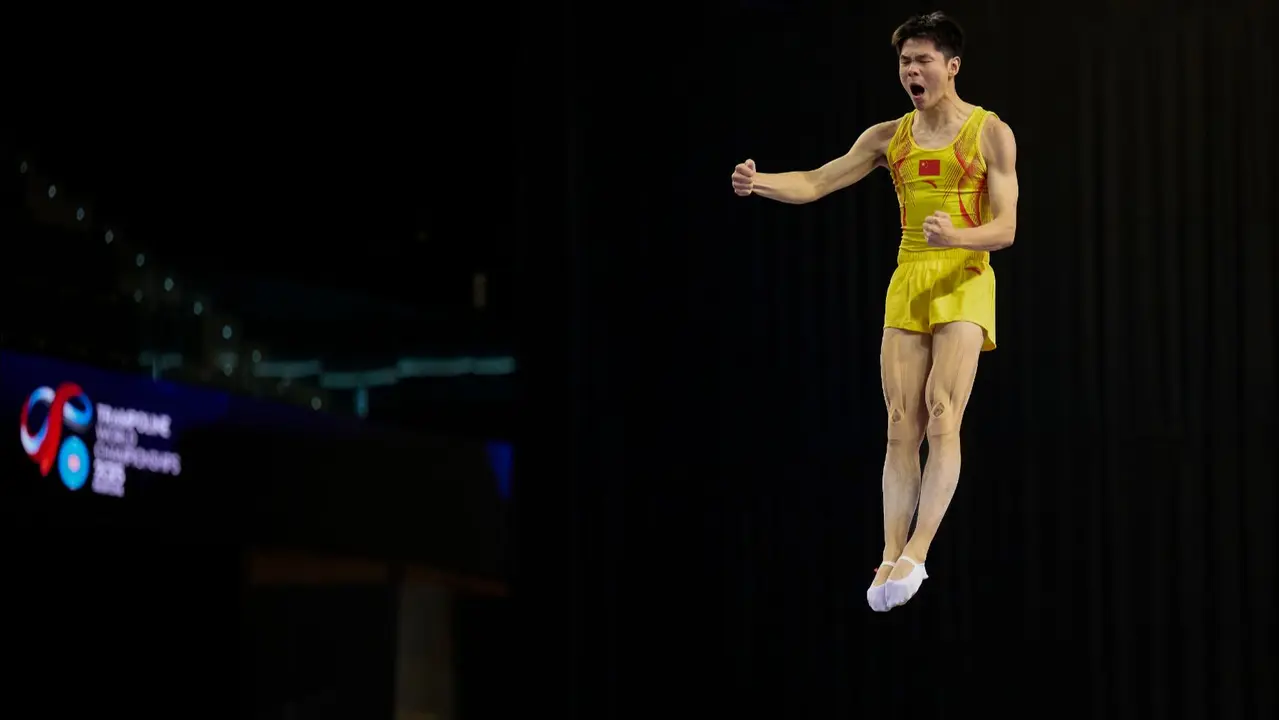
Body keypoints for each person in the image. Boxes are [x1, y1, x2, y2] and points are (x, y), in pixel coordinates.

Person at [730, 11, 1019, 611]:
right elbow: (814, 182)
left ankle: (918, 550)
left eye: (923, 60)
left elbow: (1006, 228)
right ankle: (889, 552)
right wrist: (759, 183)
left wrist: (957, 239)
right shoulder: (888, 138)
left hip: (965, 274)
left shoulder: (990, 133)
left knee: (942, 412)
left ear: (952, 66)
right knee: (898, 424)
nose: (911, 71)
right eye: (904, 62)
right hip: (909, 275)